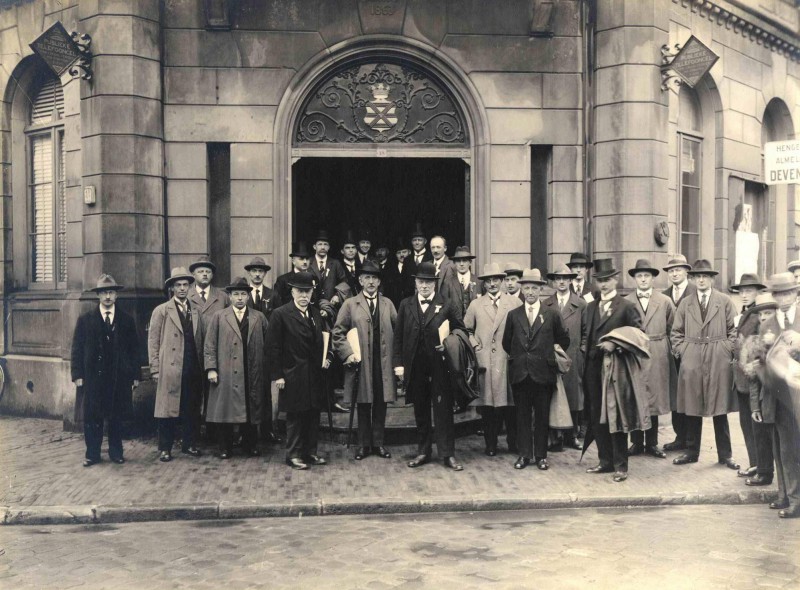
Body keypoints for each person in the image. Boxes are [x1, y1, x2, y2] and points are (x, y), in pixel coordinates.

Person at [394, 261, 466, 471]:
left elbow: (460, 332)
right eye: (420, 281)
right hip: (416, 366)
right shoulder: (405, 304)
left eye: (428, 282)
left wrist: (449, 345)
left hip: (440, 366)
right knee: (421, 409)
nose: (424, 286)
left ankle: (447, 454)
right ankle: (423, 451)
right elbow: (398, 338)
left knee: (443, 410)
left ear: (434, 284)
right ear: (415, 283)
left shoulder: (446, 304)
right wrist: (399, 364)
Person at [671, 259, 739, 470]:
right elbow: (675, 333)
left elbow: (735, 331)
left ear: (711, 279)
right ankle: (691, 452)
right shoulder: (685, 303)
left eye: (705, 276)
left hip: (718, 357)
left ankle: (725, 455)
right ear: (692, 279)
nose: (701, 280)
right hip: (692, 357)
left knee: (720, 407)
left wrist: (726, 349)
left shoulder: (725, 301)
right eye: (697, 276)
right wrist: (684, 351)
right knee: (692, 406)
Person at [503, 268, 570, 470]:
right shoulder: (513, 315)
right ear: (521, 290)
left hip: (543, 373)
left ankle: (541, 456)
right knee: (522, 416)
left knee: (541, 416)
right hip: (521, 373)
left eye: (534, 288)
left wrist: (548, 355)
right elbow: (507, 342)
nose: (530, 292)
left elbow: (563, 340)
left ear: (540, 290)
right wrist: (521, 358)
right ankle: (524, 455)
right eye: (527, 288)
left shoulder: (551, 314)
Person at [582, 258, 642, 481]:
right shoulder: (590, 306)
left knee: (616, 416)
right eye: (600, 281)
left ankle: (621, 465)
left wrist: (615, 344)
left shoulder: (626, 307)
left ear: (616, 279)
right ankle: (604, 461)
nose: (604, 285)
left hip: (615, 369)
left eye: (607, 280)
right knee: (597, 415)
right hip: (593, 369)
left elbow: (639, 335)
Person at [70, 274, 140, 467]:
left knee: (116, 417)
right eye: (103, 292)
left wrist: (135, 375)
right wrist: (77, 375)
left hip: (118, 377)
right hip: (93, 377)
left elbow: (135, 349)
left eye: (111, 292)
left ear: (116, 295)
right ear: (98, 295)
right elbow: (76, 348)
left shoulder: (126, 320)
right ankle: (92, 454)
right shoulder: (86, 320)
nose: (108, 296)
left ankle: (116, 452)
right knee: (92, 417)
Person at [266, 271, 332, 470]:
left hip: (314, 374)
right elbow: (272, 348)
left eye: (308, 292)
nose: (304, 296)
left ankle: (310, 452)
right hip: (292, 374)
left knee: (312, 415)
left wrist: (327, 357)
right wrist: (277, 375)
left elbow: (324, 340)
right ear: (292, 292)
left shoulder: (314, 313)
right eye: (300, 292)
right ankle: (293, 454)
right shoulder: (280, 314)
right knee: (295, 416)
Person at [332, 261, 397, 460]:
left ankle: (378, 443)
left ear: (379, 282)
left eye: (374, 278)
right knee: (363, 403)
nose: (370, 282)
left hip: (382, 362)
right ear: (360, 280)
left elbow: (399, 330)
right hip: (361, 363)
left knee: (380, 402)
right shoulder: (350, 304)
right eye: (367, 278)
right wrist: (348, 353)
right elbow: (337, 332)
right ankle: (363, 445)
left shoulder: (388, 304)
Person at [204, 277, 269, 459]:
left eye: (243, 294)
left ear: (248, 296)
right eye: (236, 294)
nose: (239, 298)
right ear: (230, 297)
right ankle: (225, 447)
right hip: (227, 371)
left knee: (251, 409)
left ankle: (250, 445)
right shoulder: (219, 317)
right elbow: (209, 344)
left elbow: (269, 344)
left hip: (252, 370)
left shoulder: (259, 317)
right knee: (225, 409)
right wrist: (211, 368)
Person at [464, 263, 522, 456]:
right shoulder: (476, 305)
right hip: (486, 362)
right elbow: (466, 329)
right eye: (488, 281)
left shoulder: (514, 303)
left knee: (511, 405)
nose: (492, 284)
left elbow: (523, 329)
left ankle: (513, 442)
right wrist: (475, 345)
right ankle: (491, 444)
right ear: (484, 284)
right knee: (488, 406)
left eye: (495, 280)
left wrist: (516, 348)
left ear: (502, 281)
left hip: (508, 360)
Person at [148, 267, 204, 462]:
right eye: (178, 285)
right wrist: (155, 368)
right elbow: (153, 342)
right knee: (167, 410)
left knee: (191, 408)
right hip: (170, 368)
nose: (182, 288)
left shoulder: (196, 311)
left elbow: (201, 339)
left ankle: (189, 444)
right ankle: (165, 448)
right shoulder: (162, 311)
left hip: (192, 366)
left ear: (190, 287)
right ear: (172, 288)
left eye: (185, 285)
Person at [624, 259, 675, 459]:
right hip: (635, 353)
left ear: (653, 278)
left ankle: (652, 443)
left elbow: (673, 328)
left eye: (646, 276)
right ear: (635, 279)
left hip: (658, 352)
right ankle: (636, 442)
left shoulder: (664, 301)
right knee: (636, 395)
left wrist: (666, 349)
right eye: (639, 276)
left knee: (654, 396)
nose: (643, 279)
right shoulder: (626, 301)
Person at [760, 272, 800, 518]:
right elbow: (757, 364)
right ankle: (790, 497)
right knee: (785, 450)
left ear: (796, 293)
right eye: (779, 294)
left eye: (788, 292)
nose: (784, 298)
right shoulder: (767, 325)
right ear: (774, 296)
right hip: (779, 398)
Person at [543, 263, 586, 450]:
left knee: (573, 395)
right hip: (552, 356)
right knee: (554, 394)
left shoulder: (581, 304)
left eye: (565, 279)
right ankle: (555, 435)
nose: (561, 282)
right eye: (558, 279)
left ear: (570, 281)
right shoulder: (546, 304)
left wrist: (582, 351)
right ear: (554, 281)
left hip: (573, 356)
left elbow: (586, 332)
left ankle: (572, 435)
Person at [730, 273, 768, 480]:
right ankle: (755, 462)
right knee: (747, 423)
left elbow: (754, 348)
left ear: (758, 292)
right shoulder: (743, 314)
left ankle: (760, 466)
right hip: (741, 378)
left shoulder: (757, 316)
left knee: (756, 424)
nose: (744, 295)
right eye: (741, 291)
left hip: (752, 379)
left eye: (749, 291)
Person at [187, 255, 229, 440]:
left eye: (208, 271)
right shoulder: (186, 295)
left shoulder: (222, 296)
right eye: (200, 271)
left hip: (216, 351)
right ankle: (194, 433)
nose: (204, 274)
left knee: (215, 392)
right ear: (194, 274)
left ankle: (214, 432)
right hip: (192, 352)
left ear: (212, 275)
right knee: (194, 392)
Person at [740, 291, 779, 488]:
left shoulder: (784, 338)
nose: (764, 318)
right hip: (763, 398)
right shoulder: (756, 342)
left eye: (768, 314)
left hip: (783, 398)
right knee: (761, 433)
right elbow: (753, 380)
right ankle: (764, 472)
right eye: (761, 315)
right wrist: (755, 407)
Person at [244, 256, 281, 444]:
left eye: (261, 271)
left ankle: (267, 430)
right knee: (246, 389)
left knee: (266, 390)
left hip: (266, 349)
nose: (257, 274)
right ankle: (245, 431)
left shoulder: (272, 295)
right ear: (249, 273)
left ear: (265, 274)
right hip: (245, 349)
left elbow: (278, 321)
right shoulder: (242, 294)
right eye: (254, 271)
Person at [662, 254, 696, 452]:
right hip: (669, 353)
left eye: (678, 270)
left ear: (686, 272)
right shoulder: (664, 295)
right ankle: (679, 436)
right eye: (671, 270)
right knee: (675, 395)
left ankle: (691, 440)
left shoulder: (694, 292)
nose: (674, 273)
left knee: (689, 396)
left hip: (689, 352)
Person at [311, 229, 348, 307]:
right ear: (314, 246)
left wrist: (337, 295)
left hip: (331, 305)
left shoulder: (335, 263)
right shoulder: (308, 263)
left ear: (329, 247)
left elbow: (344, 281)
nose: (323, 247)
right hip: (312, 305)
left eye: (325, 244)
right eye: (320, 244)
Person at [272, 241, 313, 309]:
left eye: (307, 259)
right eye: (301, 259)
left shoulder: (314, 279)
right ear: (293, 261)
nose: (305, 262)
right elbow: (277, 303)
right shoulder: (283, 280)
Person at [401, 222, 432, 298]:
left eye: (420, 240)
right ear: (412, 242)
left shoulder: (431, 257)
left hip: (428, 296)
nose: (417, 243)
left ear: (425, 241)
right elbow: (403, 281)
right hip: (410, 298)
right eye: (414, 240)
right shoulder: (407, 260)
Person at [429, 235, 462, 307]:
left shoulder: (453, 265)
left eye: (438, 247)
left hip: (447, 308)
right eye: (433, 247)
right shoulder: (427, 265)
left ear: (445, 248)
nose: (435, 251)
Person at [451, 246, 480, 316]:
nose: (461, 264)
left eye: (464, 260)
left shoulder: (479, 281)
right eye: (458, 261)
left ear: (470, 262)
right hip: (455, 325)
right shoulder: (448, 282)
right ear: (454, 263)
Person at [340, 229, 361, 294]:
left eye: (353, 247)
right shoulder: (338, 266)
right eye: (347, 248)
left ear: (356, 250)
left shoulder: (361, 266)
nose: (351, 250)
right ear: (342, 251)